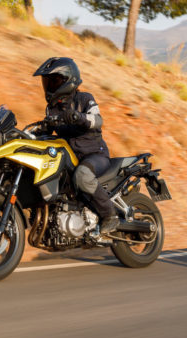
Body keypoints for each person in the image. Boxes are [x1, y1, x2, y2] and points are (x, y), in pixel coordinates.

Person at [33, 57, 119, 233]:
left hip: (95, 154)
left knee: (82, 176)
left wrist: (78, 117)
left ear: (68, 80)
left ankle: (110, 215)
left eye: (54, 81)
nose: (49, 85)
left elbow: (98, 120)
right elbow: (46, 130)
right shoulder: (52, 109)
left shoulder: (85, 98)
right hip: (70, 157)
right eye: (47, 82)